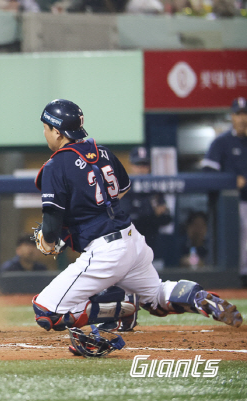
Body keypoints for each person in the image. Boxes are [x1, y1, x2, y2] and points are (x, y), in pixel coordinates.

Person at [30, 99, 242, 337]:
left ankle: (119, 309)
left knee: (46, 311)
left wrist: (49, 241)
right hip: (132, 240)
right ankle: (196, 296)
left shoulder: (55, 165)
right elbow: (121, 189)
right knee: (156, 298)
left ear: (57, 131)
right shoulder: (102, 152)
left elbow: (51, 225)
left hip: (105, 251)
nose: (45, 134)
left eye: (47, 129)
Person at [200, 97, 247, 286]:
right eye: (238, 114)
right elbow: (207, 174)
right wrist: (230, 179)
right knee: (238, 240)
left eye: (244, 114)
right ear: (231, 117)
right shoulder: (221, 142)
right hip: (232, 205)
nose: (242, 118)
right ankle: (241, 277)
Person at [118, 146, 172, 265]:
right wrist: (152, 212)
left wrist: (143, 212)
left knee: (156, 281)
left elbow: (167, 218)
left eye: (145, 164)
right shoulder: (124, 188)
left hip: (153, 247)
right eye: (138, 164)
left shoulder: (155, 188)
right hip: (130, 250)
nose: (141, 169)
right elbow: (128, 219)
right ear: (131, 165)